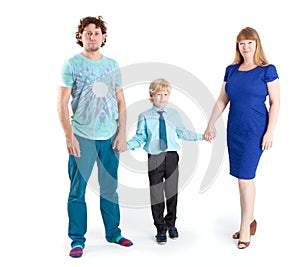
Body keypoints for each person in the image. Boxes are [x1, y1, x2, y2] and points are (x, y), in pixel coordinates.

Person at [57, 16, 133, 258]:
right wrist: (69, 136)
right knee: (77, 191)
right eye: (87, 33)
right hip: (83, 136)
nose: (92, 36)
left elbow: (121, 101)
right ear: (80, 36)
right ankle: (77, 240)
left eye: (96, 32)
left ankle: (114, 233)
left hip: (109, 136)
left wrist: (122, 133)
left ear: (104, 37)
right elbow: (61, 103)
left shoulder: (112, 65)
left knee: (109, 188)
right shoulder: (71, 65)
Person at [204, 27, 280, 249]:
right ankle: (251, 219)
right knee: (240, 177)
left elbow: (275, 102)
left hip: (255, 130)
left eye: (249, 42)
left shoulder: (267, 70)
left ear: (257, 44)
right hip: (234, 129)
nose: (245, 47)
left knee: (245, 178)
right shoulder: (232, 70)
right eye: (241, 43)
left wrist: (270, 131)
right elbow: (222, 100)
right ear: (237, 46)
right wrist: (211, 124)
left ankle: (245, 226)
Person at [127, 78, 205, 244]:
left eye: (166, 94)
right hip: (155, 157)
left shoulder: (174, 115)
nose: (162, 98)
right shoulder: (145, 116)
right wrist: (126, 146)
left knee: (172, 192)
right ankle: (160, 228)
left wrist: (201, 136)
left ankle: (171, 224)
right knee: (156, 194)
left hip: (171, 156)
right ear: (151, 95)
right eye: (159, 94)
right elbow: (140, 137)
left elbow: (183, 133)